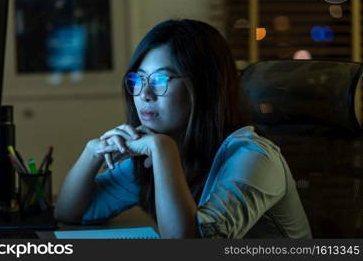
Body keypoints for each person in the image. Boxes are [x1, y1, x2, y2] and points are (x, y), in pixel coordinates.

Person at [54, 19, 312, 239]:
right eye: (138, 79)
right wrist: (93, 151)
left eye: (161, 79)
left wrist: (163, 151)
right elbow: (71, 212)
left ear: (204, 87)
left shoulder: (254, 158)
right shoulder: (166, 148)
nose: (144, 93)